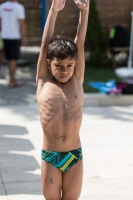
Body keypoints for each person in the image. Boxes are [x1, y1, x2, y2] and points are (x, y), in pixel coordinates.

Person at [36, 0, 89, 199]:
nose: (65, 71)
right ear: (49, 64)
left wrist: (85, 11)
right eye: (59, 66)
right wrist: (53, 10)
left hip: (74, 155)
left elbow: (80, 42)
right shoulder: (43, 82)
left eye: (69, 65)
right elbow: (44, 44)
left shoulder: (77, 80)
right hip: (51, 157)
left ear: (75, 64)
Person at [0, 0, 27, 88]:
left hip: (4, 36)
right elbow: (22, 23)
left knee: (9, 59)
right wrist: (24, 37)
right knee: (13, 59)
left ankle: (11, 79)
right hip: (14, 37)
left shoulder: (3, 6)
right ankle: (11, 81)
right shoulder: (19, 7)